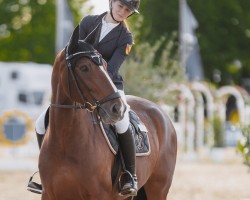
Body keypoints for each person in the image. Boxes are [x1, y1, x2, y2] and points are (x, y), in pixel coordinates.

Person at [27, 0, 140, 197]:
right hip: (79, 84)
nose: (122, 11)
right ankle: (46, 174)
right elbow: (72, 51)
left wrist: (96, 74)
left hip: (108, 87)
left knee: (122, 122)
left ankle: (129, 174)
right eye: (120, 6)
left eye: (127, 10)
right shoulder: (88, 22)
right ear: (112, 3)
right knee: (40, 124)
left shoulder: (125, 37)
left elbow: (112, 69)